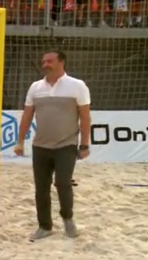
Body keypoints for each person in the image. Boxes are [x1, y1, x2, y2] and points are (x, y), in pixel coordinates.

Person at [15, 49, 91, 242]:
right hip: (40, 146)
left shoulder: (77, 86)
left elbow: (84, 116)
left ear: (61, 62)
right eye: (43, 61)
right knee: (41, 187)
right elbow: (27, 116)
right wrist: (20, 141)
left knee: (63, 183)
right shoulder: (35, 87)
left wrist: (84, 145)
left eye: (49, 61)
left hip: (66, 144)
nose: (45, 64)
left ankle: (68, 219)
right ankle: (45, 226)